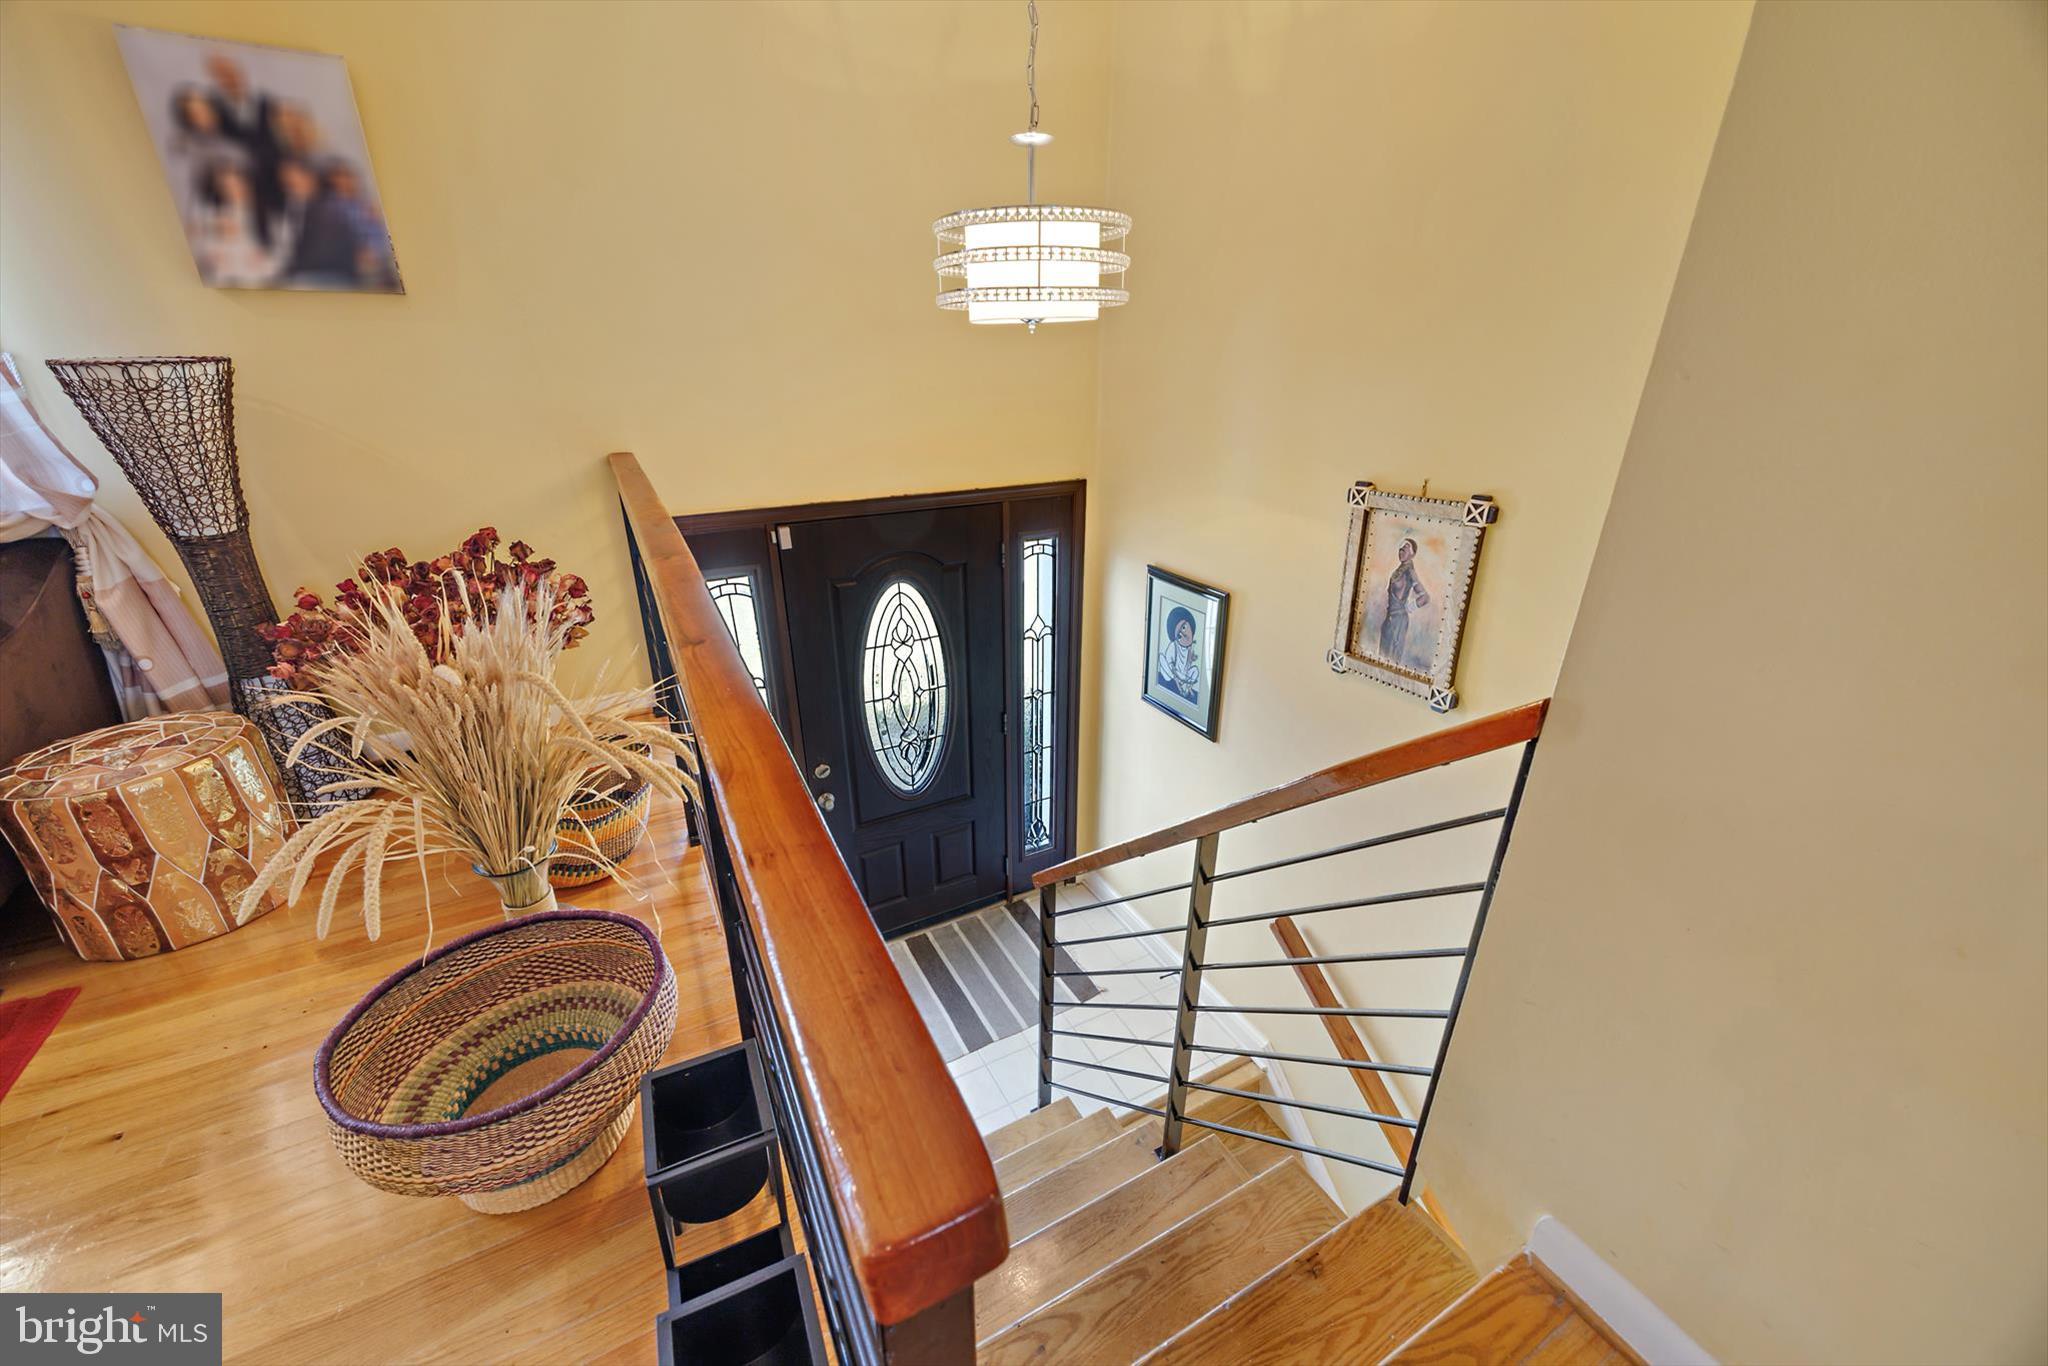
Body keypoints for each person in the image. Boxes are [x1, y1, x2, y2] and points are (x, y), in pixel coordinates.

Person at [186, 160, 276, 287]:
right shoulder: (213, 214)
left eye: (236, 184)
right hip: (223, 272)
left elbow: (275, 247)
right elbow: (199, 241)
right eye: (225, 186)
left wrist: (261, 257)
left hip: (255, 273)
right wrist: (213, 252)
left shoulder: (264, 213)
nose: (232, 190)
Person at [1378, 537, 1432, 664]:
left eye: (1405, 548)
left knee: (1391, 659)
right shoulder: (1399, 570)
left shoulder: (1410, 572)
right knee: (1381, 657)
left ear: (1412, 553)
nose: (1401, 551)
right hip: (1389, 619)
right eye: (1400, 549)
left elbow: (1425, 598)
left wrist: (1410, 607)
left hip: (1399, 622)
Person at [1157, 605, 1202, 702]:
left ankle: (1188, 687)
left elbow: (1189, 663)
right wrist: (1177, 678)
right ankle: (1182, 686)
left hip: (1184, 675)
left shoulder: (1191, 647)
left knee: (1195, 670)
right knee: (1161, 658)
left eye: (1184, 627)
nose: (1184, 634)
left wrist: (1192, 659)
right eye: (1179, 635)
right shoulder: (1173, 646)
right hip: (1173, 673)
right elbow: (1170, 662)